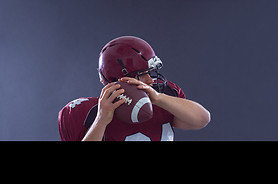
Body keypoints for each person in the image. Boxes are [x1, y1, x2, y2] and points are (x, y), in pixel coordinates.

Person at [58, 36, 210, 141]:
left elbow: (202, 120)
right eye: (143, 75)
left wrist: (158, 98)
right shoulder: (85, 112)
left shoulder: (162, 96)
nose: (150, 80)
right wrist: (101, 119)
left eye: (150, 73)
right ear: (121, 79)